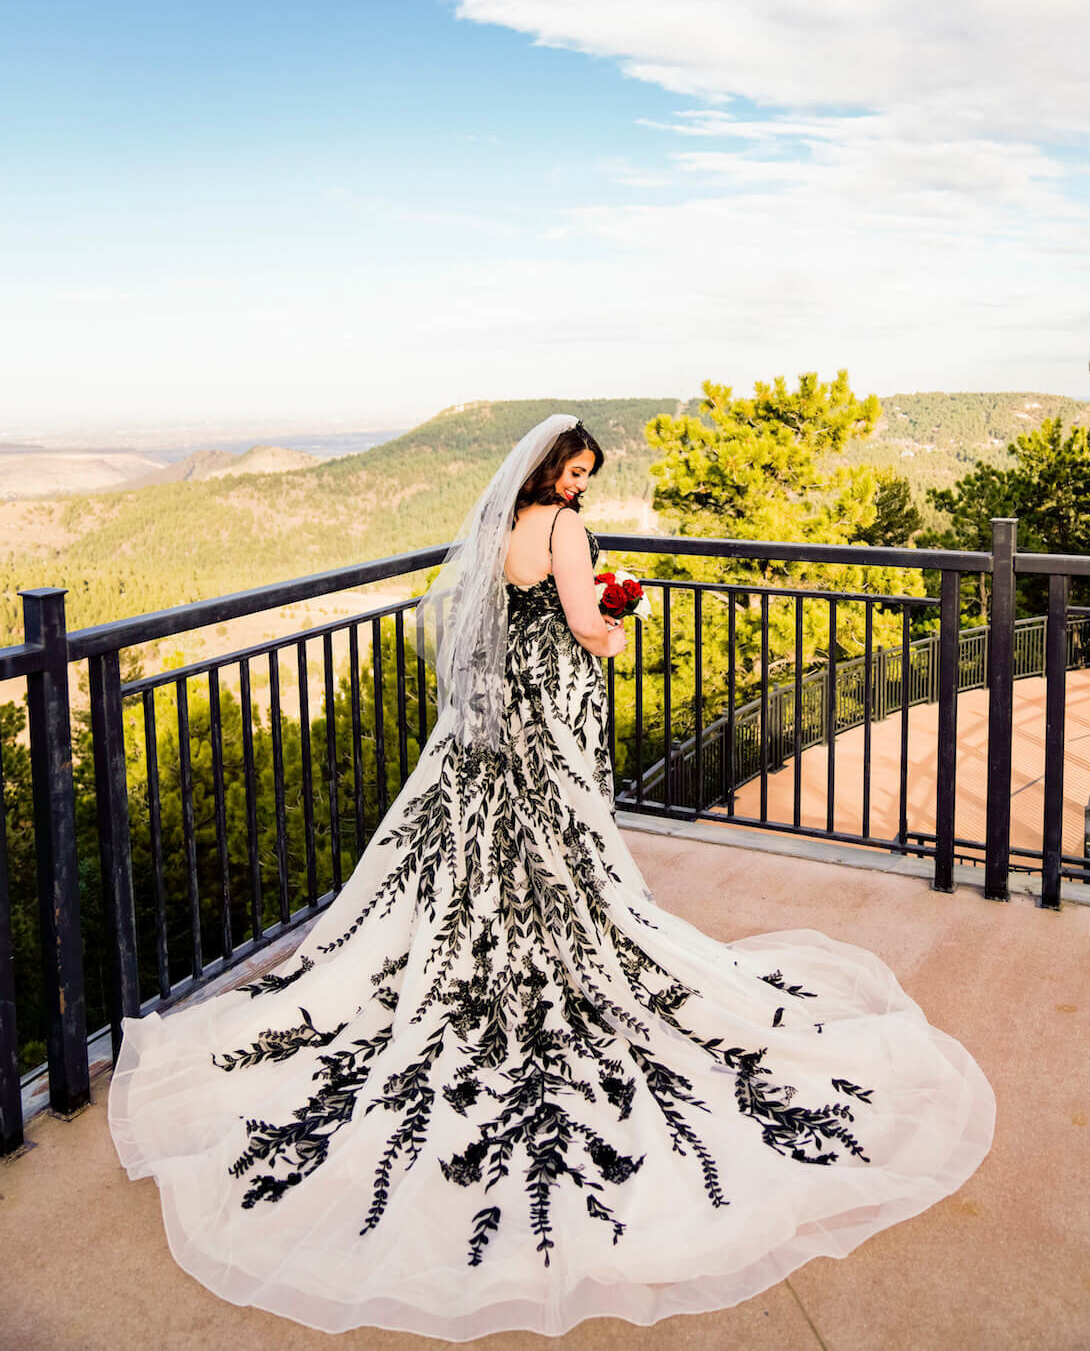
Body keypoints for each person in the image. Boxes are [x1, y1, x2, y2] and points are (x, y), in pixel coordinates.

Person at [107, 412, 996, 1340]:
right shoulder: (565, 531)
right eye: (572, 468)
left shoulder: (498, 528)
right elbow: (583, 623)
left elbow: (488, 615)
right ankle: (555, 948)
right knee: (563, 840)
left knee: (469, 841)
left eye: (584, 472)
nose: (578, 483)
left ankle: (473, 949)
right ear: (546, 469)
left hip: (491, 716)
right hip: (555, 701)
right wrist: (620, 623)